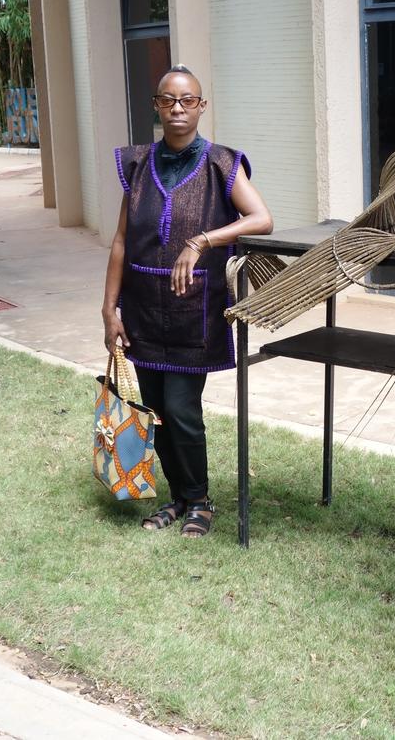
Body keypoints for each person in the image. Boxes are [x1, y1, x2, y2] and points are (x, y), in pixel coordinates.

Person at [102, 66, 273, 538]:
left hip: (192, 310)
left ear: (201, 106)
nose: (178, 108)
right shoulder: (137, 165)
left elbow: (261, 219)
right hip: (141, 309)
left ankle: (199, 499)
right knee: (154, 407)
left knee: (181, 407)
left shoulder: (222, 162)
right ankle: (180, 498)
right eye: (168, 100)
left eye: (187, 100)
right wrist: (108, 309)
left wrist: (202, 241)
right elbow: (120, 242)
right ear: (156, 106)